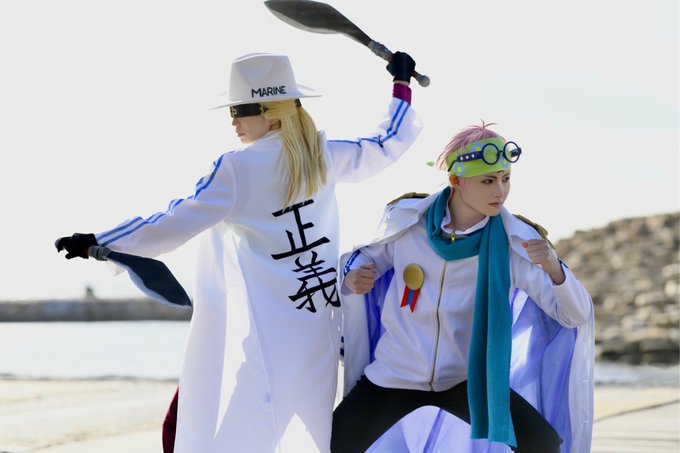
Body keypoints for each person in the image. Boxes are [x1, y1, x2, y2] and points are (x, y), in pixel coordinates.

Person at [55, 51, 423, 452]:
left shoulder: (236, 169)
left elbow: (172, 221)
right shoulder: (324, 155)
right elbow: (387, 143)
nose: (233, 122)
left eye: (240, 111)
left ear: (270, 112)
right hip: (320, 336)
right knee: (313, 442)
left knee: (238, 440)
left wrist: (99, 241)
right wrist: (401, 85)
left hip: (268, 343)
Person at [333, 122, 594, 453]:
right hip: (393, 374)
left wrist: (555, 270)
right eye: (487, 181)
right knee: (333, 444)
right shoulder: (408, 224)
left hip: (466, 380)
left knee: (542, 444)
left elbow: (574, 315)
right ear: (456, 181)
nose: (500, 191)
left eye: (505, 178)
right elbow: (362, 257)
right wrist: (352, 277)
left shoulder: (515, 245)